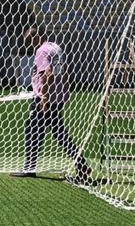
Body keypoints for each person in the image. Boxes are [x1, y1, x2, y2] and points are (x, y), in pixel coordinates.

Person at [11, 26, 92, 184]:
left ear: (36, 38)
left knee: (33, 130)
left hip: (45, 98)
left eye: (29, 41)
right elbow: (66, 70)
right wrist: (65, 89)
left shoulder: (41, 51)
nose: (30, 45)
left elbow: (48, 73)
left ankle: (30, 168)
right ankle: (81, 165)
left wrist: (45, 98)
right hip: (58, 97)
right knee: (57, 132)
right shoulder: (56, 47)